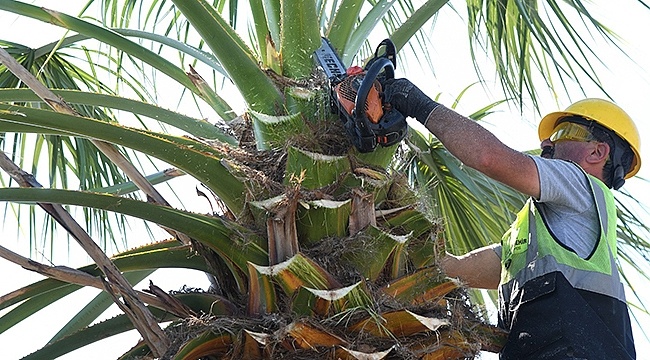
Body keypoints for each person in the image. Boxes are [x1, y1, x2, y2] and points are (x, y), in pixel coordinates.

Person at [382, 79, 640, 359]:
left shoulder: (580, 183)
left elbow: (488, 158)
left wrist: (419, 105)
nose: (546, 143)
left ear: (597, 152)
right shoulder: (530, 245)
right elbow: (452, 271)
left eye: (566, 132)